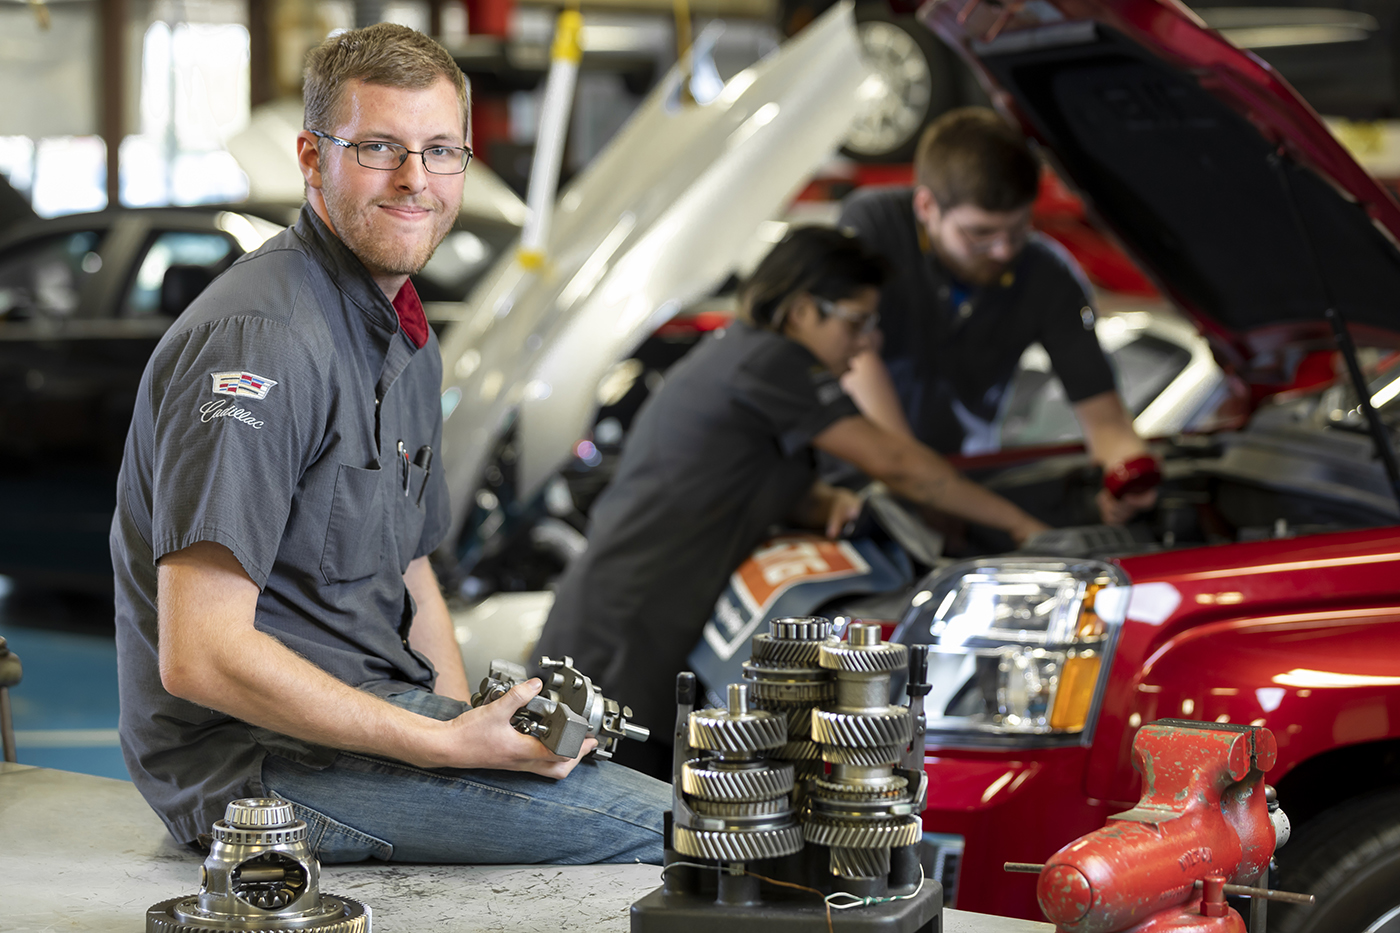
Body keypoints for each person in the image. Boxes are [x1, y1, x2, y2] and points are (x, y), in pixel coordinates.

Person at [111, 23, 668, 864]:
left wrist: (465, 729)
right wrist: (440, 744)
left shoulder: (404, 335)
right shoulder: (259, 341)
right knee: (664, 839)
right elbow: (200, 654)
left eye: (441, 149)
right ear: (311, 158)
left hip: (369, 728)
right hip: (254, 768)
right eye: (379, 147)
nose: (416, 179)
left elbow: (414, 573)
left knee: (669, 807)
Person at [535, 227, 1050, 779]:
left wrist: (815, 501)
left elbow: (726, 476)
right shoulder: (773, 361)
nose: (865, 342)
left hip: (627, 624)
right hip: (624, 642)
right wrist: (1026, 531)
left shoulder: (740, 354)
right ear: (804, 311)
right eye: (856, 322)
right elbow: (899, 466)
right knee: (618, 839)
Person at [839, 107, 1157, 525]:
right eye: (980, 233)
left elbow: (1105, 417)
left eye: (1019, 226)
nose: (1004, 251)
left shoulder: (1049, 276)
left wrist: (1129, 476)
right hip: (849, 474)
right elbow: (855, 355)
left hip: (963, 477)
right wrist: (915, 483)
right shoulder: (875, 226)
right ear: (926, 205)